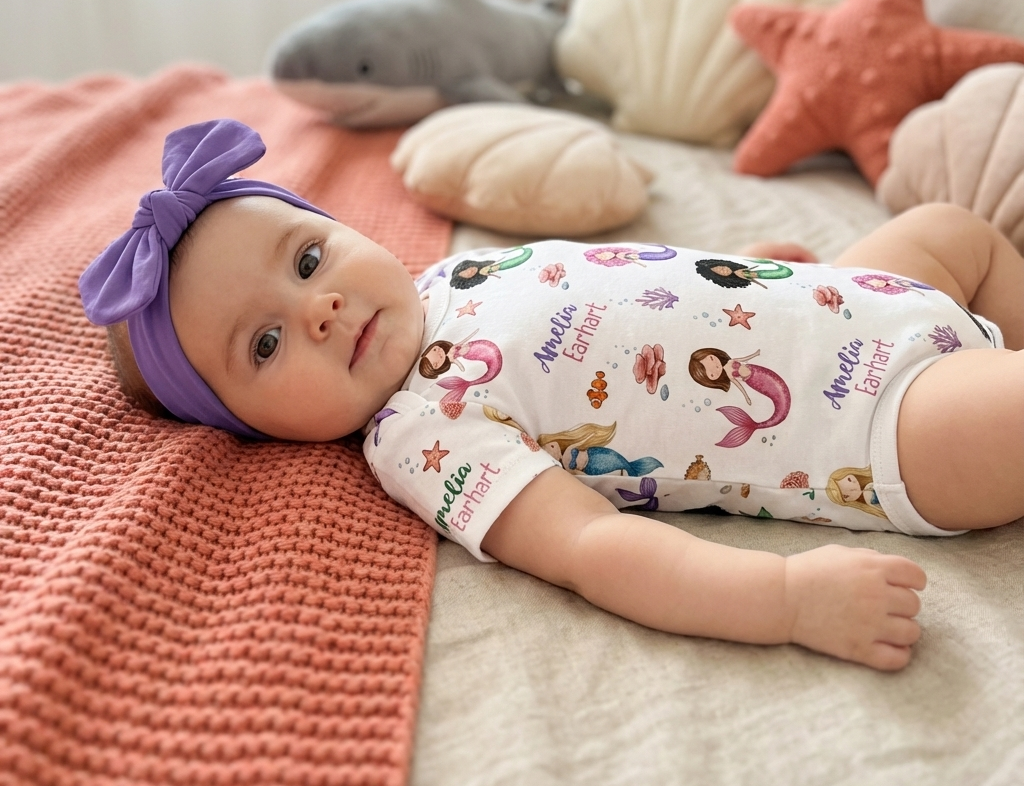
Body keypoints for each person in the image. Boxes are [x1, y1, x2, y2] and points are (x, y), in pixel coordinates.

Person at [80, 120, 1024, 673]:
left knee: (953, 229)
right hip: (878, 419)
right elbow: (593, 550)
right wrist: (785, 600)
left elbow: (625, 284)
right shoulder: (423, 435)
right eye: (267, 343)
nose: (319, 309)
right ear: (254, 427)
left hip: (846, 301)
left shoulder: (453, 273)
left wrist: (740, 276)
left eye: (308, 259)